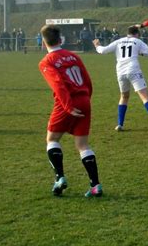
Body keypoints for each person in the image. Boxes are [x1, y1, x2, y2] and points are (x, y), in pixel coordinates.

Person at [38, 25, 102, 197]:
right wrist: (86, 98)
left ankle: (60, 177)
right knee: (82, 145)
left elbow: (58, 84)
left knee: (52, 139)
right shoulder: (73, 56)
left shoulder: (46, 62)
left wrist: (67, 106)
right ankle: (95, 185)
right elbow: (87, 79)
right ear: (61, 40)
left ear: (44, 43)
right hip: (84, 99)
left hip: (67, 102)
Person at [93, 25, 148, 132]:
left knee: (124, 96)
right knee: (145, 96)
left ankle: (120, 124)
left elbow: (103, 51)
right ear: (137, 34)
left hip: (120, 72)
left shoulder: (119, 41)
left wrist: (97, 46)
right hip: (133, 70)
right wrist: (140, 52)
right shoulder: (137, 41)